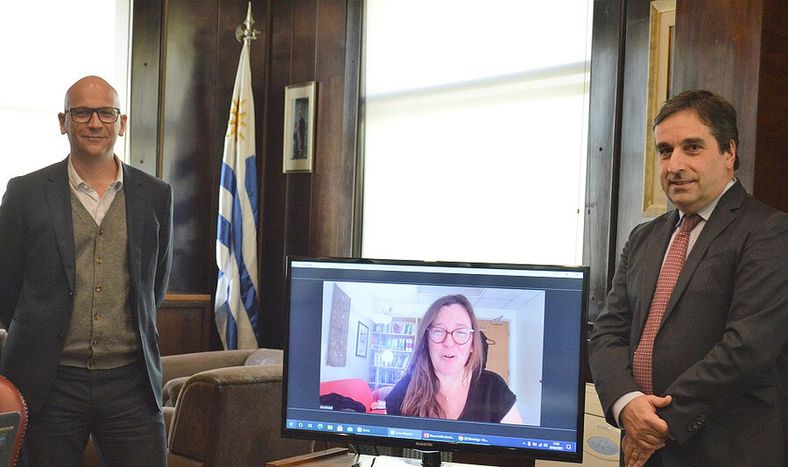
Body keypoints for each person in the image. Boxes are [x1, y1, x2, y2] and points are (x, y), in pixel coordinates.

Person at [589, 90, 788, 466]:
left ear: (729, 152)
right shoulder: (643, 238)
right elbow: (607, 334)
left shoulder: (770, 233)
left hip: (724, 451)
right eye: (665, 151)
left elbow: (747, 348)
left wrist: (656, 425)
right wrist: (626, 404)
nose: (675, 165)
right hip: (642, 448)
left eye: (692, 147)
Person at [0, 76, 173, 466]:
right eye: (81, 113)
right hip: (47, 383)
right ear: (63, 122)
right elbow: (5, 286)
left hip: (131, 383)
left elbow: (154, 285)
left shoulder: (156, 194)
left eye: (106, 113)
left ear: (121, 123)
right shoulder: (25, 193)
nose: (95, 123)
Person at [385, 294, 523, 424]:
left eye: (461, 332)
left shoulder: (494, 388)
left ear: (472, 344)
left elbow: (517, 440)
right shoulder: (403, 390)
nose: (449, 343)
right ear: (426, 341)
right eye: (438, 331)